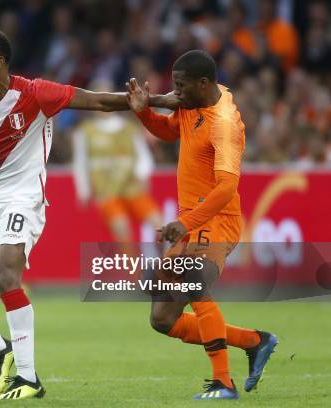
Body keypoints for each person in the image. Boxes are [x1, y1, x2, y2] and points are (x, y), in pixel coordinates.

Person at [0, 28, 176, 400]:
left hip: (23, 199)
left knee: (6, 274)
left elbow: (98, 102)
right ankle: (0, 350)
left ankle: (28, 377)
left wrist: (155, 100)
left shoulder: (36, 93)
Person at [125, 50, 278, 400]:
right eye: (174, 85)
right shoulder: (194, 101)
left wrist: (184, 221)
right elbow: (167, 131)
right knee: (163, 317)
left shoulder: (224, 126)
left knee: (195, 282)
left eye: (181, 86)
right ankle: (255, 341)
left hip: (216, 221)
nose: (176, 92)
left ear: (203, 84)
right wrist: (143, 112)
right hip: (192, 222)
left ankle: (223, 382)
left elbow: (226, 188)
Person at [73, 78, 162, 242]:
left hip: (132, 186)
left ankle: (170, 264)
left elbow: (143, 155)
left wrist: (143, 174)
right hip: (106, 190)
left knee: (160, 225)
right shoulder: (85, 132)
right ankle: (132, 267)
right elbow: (80, 163)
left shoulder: (129, 128)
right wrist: (83, 190)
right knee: (122, 231)